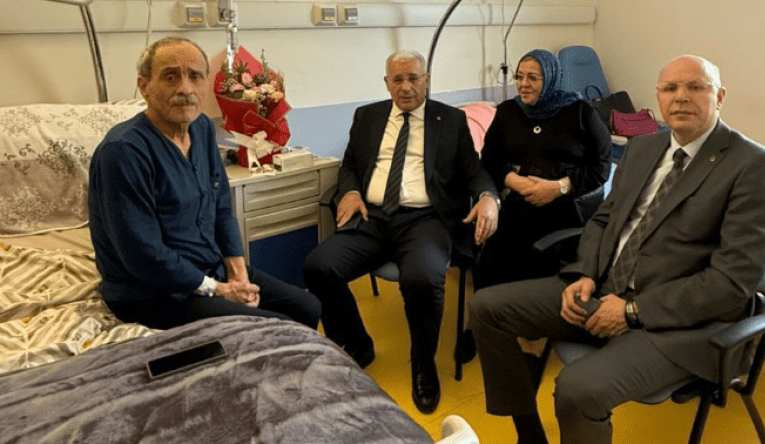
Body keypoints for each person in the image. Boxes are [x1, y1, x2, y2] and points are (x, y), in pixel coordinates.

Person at [469, 55, 765, 444]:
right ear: (659, 96)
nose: (681, 97)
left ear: (719, 96)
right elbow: (604, 220)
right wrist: (586, 272)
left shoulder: (756, 167)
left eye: (696, 87)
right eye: (670, 88)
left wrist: (631, 311)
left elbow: (729, 285)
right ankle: (529, 434)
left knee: (576, 389)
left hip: (681, 323)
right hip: (604, 288)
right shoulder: (644, 148)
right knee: (486, 308)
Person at [302, 50, 500, 414]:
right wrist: (350, 191)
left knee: (423, 279)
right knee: (318, 267)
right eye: (398, 80)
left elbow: (474, 170)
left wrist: (489, 197)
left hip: (426, 220)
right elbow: (349, 165)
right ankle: (357, 343)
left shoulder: (450, 120)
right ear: (387, 83)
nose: (406, 87)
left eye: (413, 78)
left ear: (426, 80)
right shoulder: (367, 116)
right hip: (373, 216)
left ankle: (423, 365)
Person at [88, 36, 321, 331]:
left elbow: (221, 206)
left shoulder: (200, 128)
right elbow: (142, 254)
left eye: (195, 76)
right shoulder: (123, 151)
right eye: (170, 77)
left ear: (205, 83)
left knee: (307, 306)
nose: (185, 89)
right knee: (280, 329)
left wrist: (237, 272)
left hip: (210, 266)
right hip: (151, 292)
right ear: (144, 86)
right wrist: (218, 289)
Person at [475, 49, 611, 290]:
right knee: (489, 269)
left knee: (537, 273)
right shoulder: (508, 111)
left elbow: (601, 167)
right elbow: (489, 159)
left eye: (533, 78)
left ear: (550, 78)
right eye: (519, 77)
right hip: (517, 203)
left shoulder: (581, 113)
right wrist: (513, 180)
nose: (523, 84)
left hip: (566, 206)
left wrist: (559, 187)